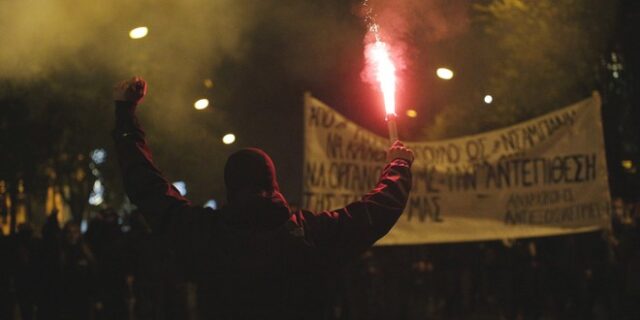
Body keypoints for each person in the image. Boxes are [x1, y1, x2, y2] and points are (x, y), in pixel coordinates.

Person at [112, 77, 414, 319]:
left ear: (230, 187)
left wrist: (126, 116)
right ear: (274, 183)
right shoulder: (309, 233)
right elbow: (376, 212)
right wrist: (398, 165)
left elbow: (146, 186)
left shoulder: (204, 232)